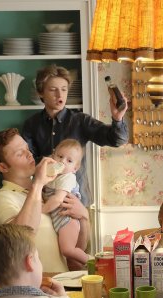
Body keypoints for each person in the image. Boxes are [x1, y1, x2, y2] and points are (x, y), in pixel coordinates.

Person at [21, 64, 128, 206]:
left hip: (77, 201)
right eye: (53, 90)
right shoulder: (31, 124)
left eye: (64, 90)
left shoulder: (81, 120)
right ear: (41, 93)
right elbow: (28, 163)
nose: (60, 95)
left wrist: (117, 118)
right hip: (44, 200)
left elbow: (118, 140)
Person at [0, 127, 80, 273]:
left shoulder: (48, 191)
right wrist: (38, 184)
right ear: (3, 167)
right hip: (34, 289)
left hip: (63, 283)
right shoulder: (0, 199)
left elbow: (79, 246)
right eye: (20, 153)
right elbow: (20, 239)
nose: (29, 155)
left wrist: (84, 217)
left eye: (27, 149)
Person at [43, 139, 88, 269]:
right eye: (60, 156)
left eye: (69, 161)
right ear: (53, 156)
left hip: (68, 221)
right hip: (60, 220)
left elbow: (57, 199)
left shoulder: (67, 178)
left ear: (75, 168)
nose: (62, 161)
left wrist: (42, 209)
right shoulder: (53, 176)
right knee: (69, 256)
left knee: (68, 250)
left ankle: (94, 262)